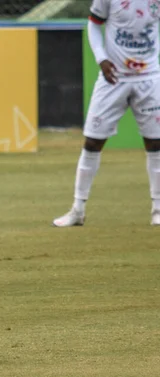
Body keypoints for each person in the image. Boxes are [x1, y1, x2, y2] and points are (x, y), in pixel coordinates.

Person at [53, 0, 160, 227]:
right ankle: (77, 210)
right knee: (92, 141)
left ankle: (158, 210)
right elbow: (93, 24)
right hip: (113, 79)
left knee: (155, 143)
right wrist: (101, 58)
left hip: (149, 78)